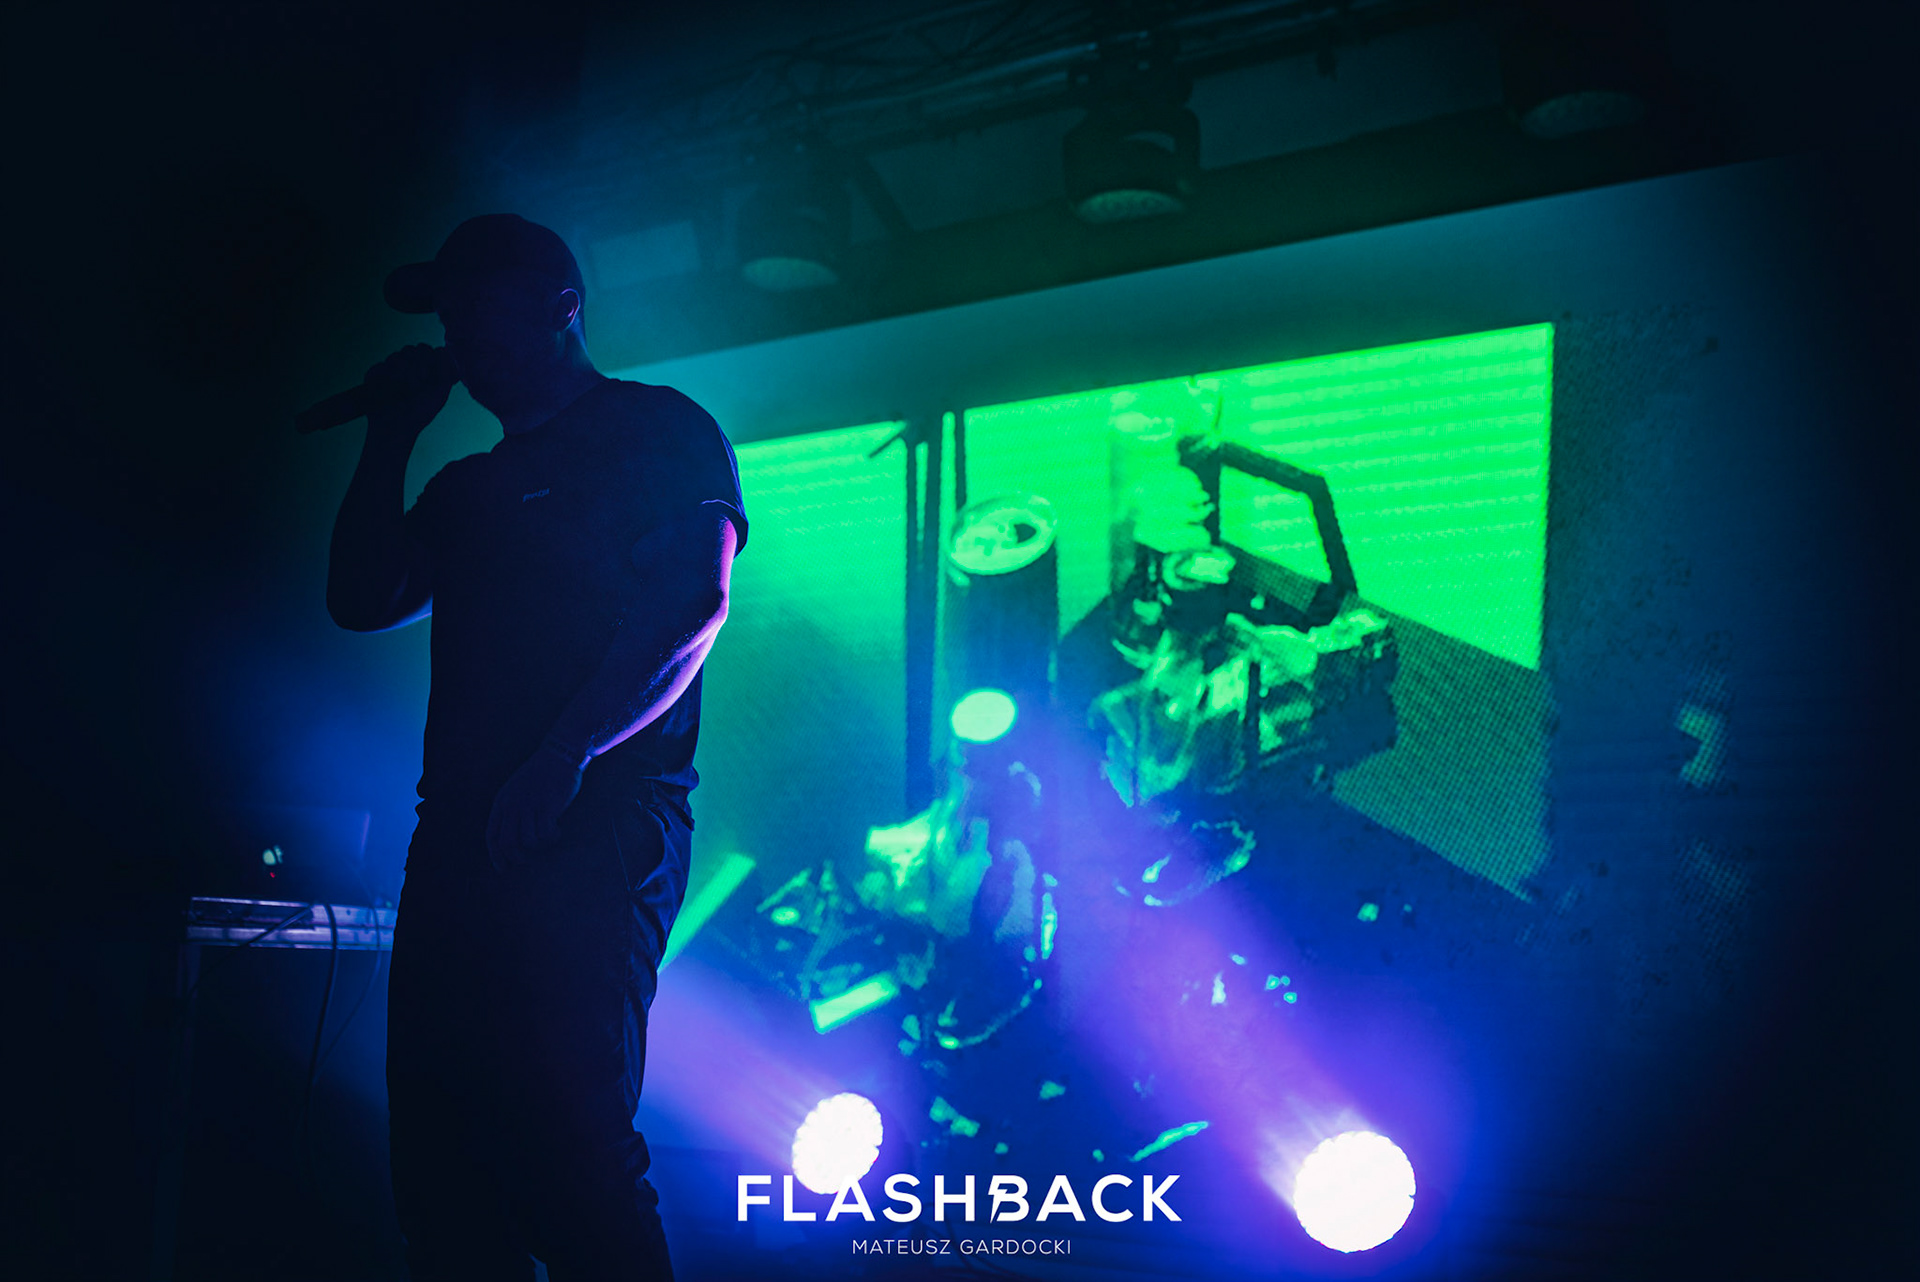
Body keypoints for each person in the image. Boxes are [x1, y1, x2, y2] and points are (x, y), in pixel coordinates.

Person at [326, 214, 746, 1281]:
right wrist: (390, 436)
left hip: (598, 819)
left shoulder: (656, 429)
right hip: (459, 840)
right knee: (439, 1164)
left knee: (570, 1149)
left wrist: (562, 755)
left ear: (561, 307)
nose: (456, 335)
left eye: (474, 307)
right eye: (446, 316)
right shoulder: (468, 489)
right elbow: (361, 598)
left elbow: (692, 600)